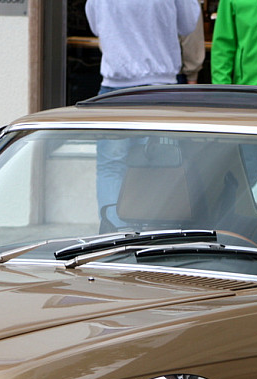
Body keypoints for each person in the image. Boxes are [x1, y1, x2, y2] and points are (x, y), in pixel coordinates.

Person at [84, 0, 201, 228]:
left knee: (111, 166)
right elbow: (188, 24)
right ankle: (152, 236)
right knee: (159, 163)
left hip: (114, 86)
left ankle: (114, 234)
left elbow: (96, 25)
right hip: (159, 86)